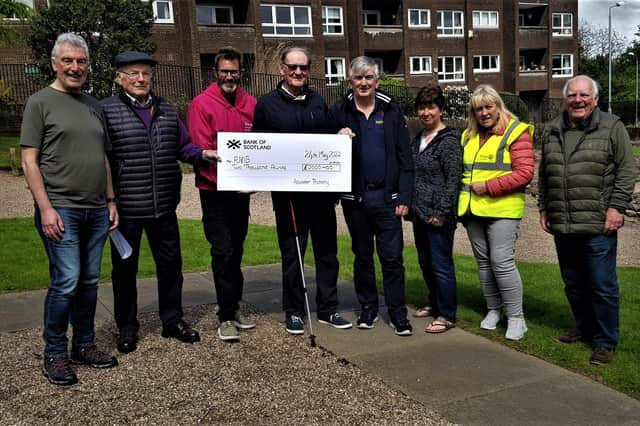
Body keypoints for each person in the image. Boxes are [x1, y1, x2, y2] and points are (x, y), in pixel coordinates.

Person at [101, 51, 218, 353]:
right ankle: (127, 326)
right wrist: (108, 199)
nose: (140, 79)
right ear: (119, 78)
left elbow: (183, 147)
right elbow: (101, 159)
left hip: (164, 205)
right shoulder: (106, 111)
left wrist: (202, 154)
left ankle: (172, 320)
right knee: (124, 270)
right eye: (133, 74)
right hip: (126, 209)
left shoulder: (165, 108)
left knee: (170, 266)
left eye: (146, 74)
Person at [20, 33, 119, 385]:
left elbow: (103, 157)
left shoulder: (93, 105)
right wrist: (45, 208)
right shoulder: (39, 102)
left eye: (81, 61)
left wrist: (110, 200)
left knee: (89, 281)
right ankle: (55, 353)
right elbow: (29, 161)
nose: (75, 67)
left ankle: (85, 344)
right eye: (68, 61)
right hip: (61, 208)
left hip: (95, 209)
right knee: (66, 281)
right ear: (54, 64)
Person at [538, 75, 637, 365]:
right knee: (573, 282)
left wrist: (617, 208)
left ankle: (605, 341)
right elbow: (544, 174)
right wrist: (544, 207)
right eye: (572, 95)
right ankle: (585, 328)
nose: (578, 100)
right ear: (565, 99)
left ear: (595, 99)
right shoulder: (552, 129)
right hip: (563, 221)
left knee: (602, 284)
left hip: (598, 222)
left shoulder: (612, 126)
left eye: (584, 95)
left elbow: (626, 170)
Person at [252, 46, 352, 334]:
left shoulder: (318, 101)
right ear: (282, 69)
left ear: (309, 70)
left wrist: (341, 134)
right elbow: (259, 149)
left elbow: (331, 139)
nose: (298, 72)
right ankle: (294, 310)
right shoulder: (267, 104)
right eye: (292, 67)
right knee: (293, 254)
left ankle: (328, 309)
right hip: (288, 197)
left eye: (303, 68)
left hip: (320, 195)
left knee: (327, 254)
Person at [328, 56, 414, 336]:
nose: (363, 83)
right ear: (350, 81)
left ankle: (398, 313)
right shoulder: (339, 111)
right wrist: (336, 139)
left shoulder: (391, 111)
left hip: (387, 199)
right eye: (358, 78)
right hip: (356, 199)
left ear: (377, 81)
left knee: (392, 258)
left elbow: (405, 157)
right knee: (362, 257)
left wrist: (404, 197)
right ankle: (368, 308)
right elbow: (324, 152)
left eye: (368, 78)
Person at [187, 47, 257, 342]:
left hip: (241, 192)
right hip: (214, 190)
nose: (230, 76)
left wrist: (257, 175)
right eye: (224, 71)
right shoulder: (201, 104)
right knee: (223, 250)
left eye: (234, 71)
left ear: (241, 73)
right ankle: (225, 315)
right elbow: (201, 150)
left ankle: (234, 305)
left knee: (237, 250)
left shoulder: (251, 103)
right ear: (215, 73)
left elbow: (261, 146)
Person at [458, 84, 534, 341]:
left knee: (501, 263)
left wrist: (488, 186)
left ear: (498, 106)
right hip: (472, 210)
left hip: (503, 208)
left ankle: (516, 317)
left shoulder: (516, 132)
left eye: (488, 106)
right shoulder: (467, 136)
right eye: (478, 108)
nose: (484, 112)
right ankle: (494, 310)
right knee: (483, 263)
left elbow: (525, 173)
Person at [409, 83, 462, 333]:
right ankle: (434, 302)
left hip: (438, 215)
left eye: (430, 107)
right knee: (425, 262)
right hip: (419, 214)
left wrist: (441, 213)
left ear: (440, 109)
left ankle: (447, 314)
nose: (425, 112)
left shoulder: (449, 140)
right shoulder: (417, 139)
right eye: (421, 108)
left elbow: (453, 180)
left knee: (441, 265)